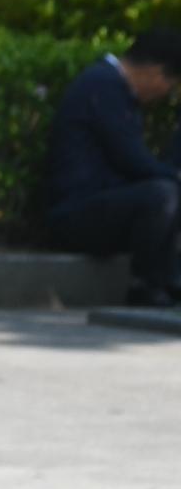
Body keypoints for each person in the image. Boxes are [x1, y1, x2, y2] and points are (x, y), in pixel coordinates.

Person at [42, 26, 181, 310]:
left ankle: (169, 282)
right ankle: (145, 286)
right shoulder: (103, 86)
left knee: (165, 190)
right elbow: (132, 160)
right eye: (171, 85)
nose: (166, 94)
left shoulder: (111, 86)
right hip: (74, 214)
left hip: (98, 205)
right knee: (162, 195)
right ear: (156, 73)